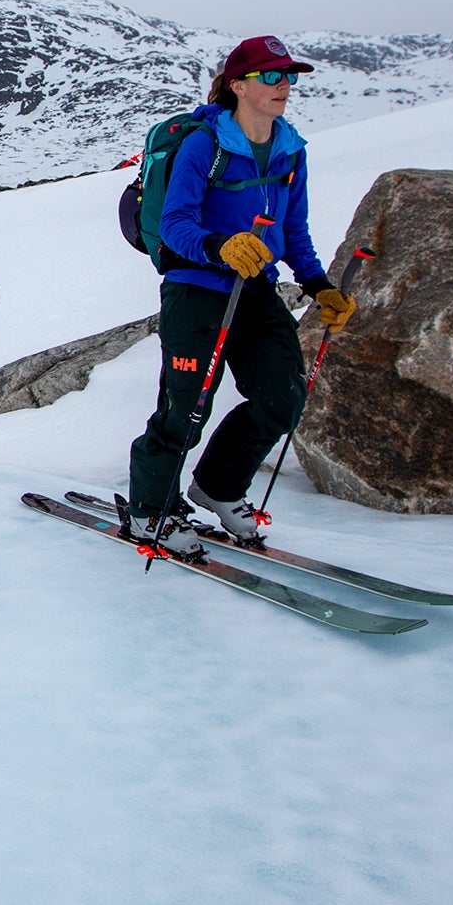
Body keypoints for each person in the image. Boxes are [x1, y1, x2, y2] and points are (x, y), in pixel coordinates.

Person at [126, 36, 357, 555]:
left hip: (255, 289)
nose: (284, 87)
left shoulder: (290, 149)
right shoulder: (203, 144)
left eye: (289, 77)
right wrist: (220, 245)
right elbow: (174, 223)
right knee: (185, 410)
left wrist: (319, 285)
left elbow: (292, 230)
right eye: (272, 77)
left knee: (283, 397)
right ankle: (149, 509)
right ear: (238, 85)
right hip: (197, 289)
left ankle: (217, 487)